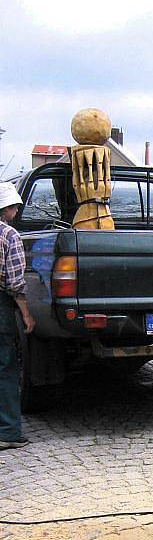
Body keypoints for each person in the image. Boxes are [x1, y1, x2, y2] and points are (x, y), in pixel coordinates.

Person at [0, 182, 34, 449]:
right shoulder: (9, 236)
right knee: (6, 368)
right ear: (7, 208)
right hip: (2, 307)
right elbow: (14, 283)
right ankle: (8, 432)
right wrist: (26, 315)